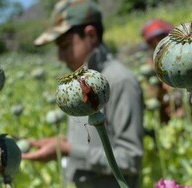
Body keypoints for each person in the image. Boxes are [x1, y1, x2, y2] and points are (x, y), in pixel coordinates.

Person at [22, 0, 144, 187]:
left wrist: (69, 150)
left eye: (65, 45)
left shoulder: (119, 81)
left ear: (91, 35)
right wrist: (59, 144)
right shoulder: (80, 83)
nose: (60, 56)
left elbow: (130, 160)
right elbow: (93, 141)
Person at [141, 19, 184, 123]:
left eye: (159, 39)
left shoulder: (181, 55)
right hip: (164, 103)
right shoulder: (151, 62)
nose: (157, 43)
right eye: (153, 42)